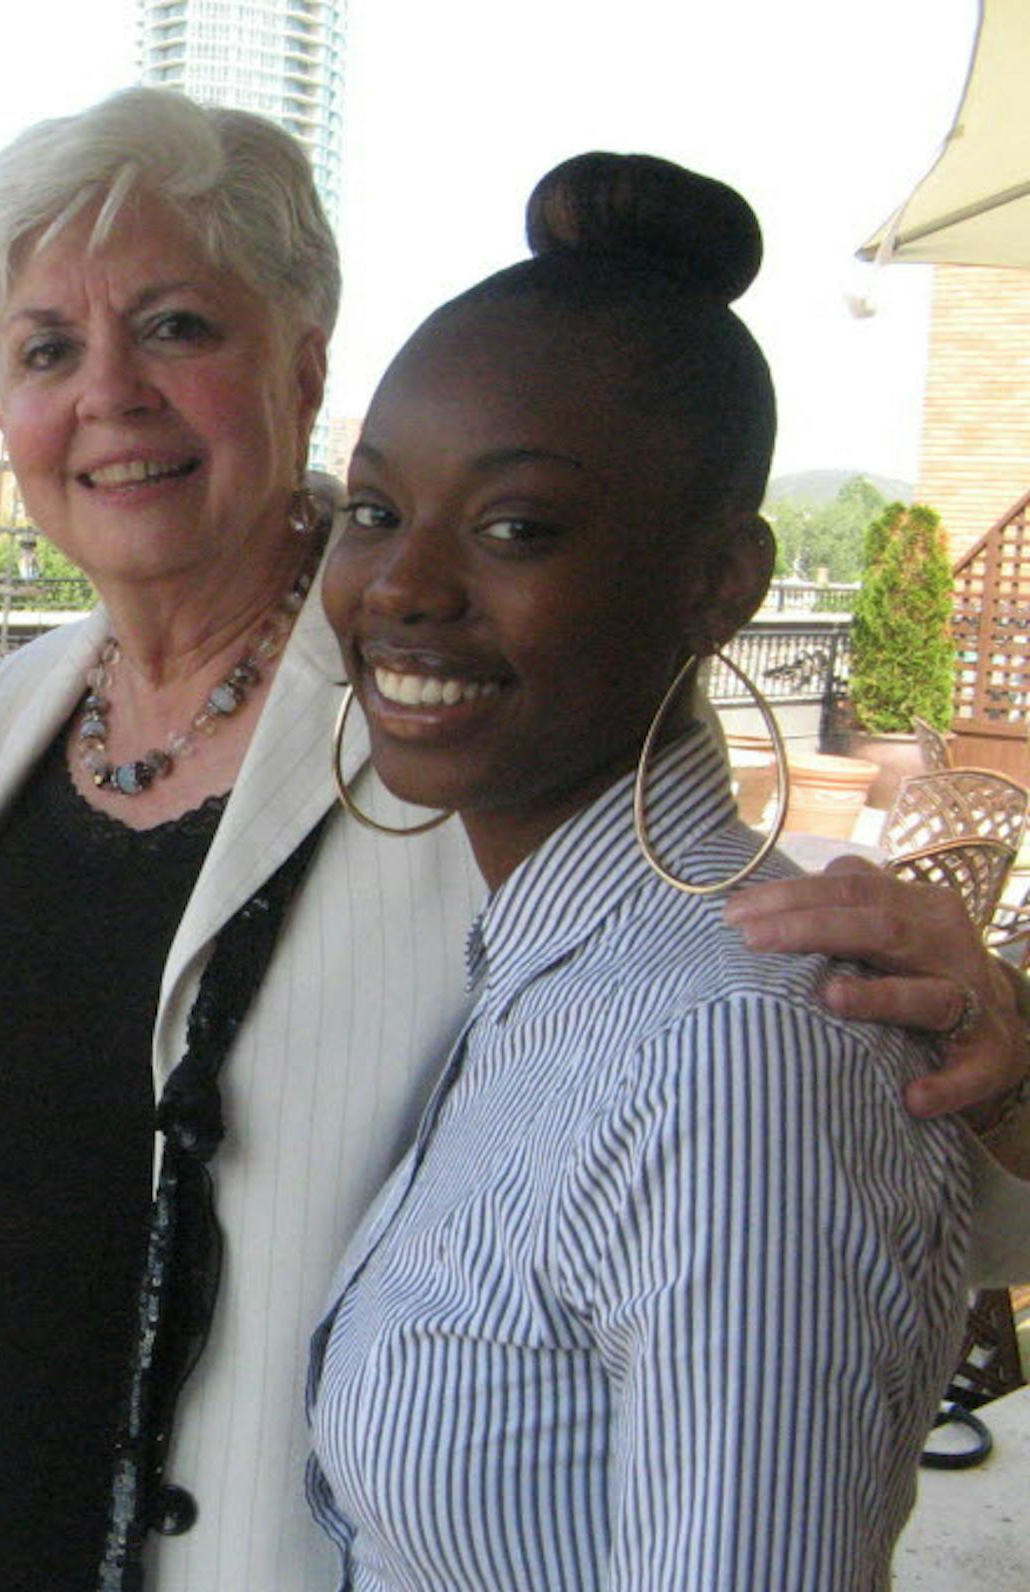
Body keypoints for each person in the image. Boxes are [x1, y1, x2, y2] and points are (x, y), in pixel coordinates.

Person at [0, 89, 1030, 1592]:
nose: (111, 396)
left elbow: (781, 1163)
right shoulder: (8, 716)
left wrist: (1003, 1061)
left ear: (308, 360)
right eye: (47, 350)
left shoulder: (472, 728)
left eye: (179, 328)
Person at [302, 151, 972, 1587]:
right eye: (373, 511)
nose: (404, 586)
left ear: (719, 580)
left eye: (516, 527)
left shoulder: (735, 1055)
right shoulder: (537, 977)